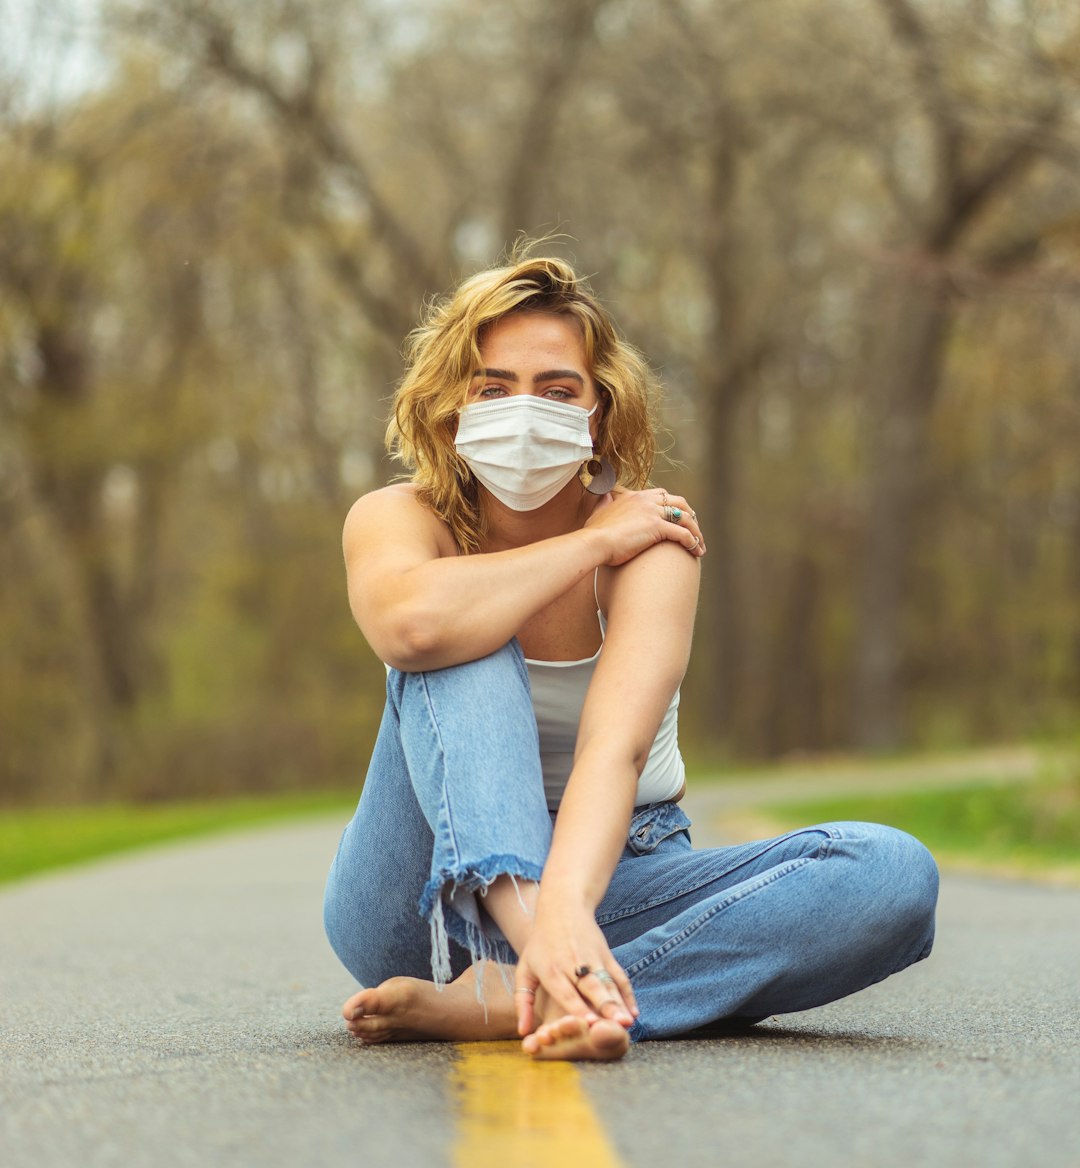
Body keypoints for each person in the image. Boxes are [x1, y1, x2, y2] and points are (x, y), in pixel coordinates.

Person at [323, 251, 938, 1062]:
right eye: (493, 386)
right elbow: (411, 628)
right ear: (449, 410)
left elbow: (615, 753)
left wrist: (569, 905)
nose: (523, 408)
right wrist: (589, 544)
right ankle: (553, 964)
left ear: (599, 413)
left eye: (556, 388)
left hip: (616, 877)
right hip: (420, 901)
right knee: (461, 633)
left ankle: (515, 995)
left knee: (891, 875)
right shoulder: (396, 516)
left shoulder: (654, 541)